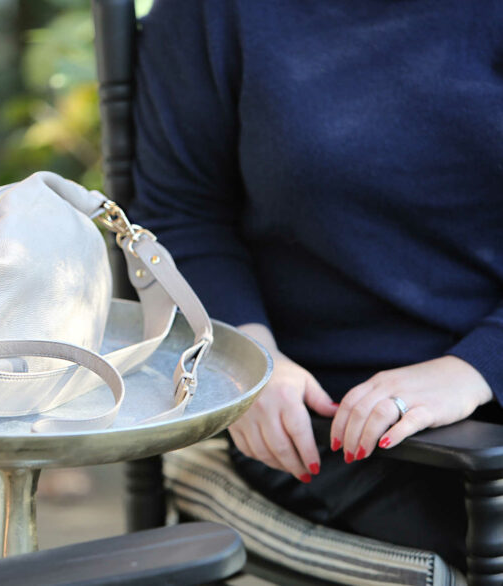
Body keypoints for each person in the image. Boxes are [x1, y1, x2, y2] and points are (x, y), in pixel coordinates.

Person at [129, 0, 503, 571]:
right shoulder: (213, 14)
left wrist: (478, 366)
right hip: (324, 417)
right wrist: (248, 361)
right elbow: (181, 214)